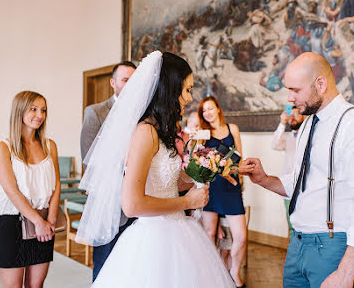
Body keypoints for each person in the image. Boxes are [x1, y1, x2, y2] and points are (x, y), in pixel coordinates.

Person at [76, 51, 235, 287]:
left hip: (178, 231)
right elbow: (132, 205)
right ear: (170, 90)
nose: (190, 98)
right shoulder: (145, 132)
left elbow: (170, 182)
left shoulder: (162, 132)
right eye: (187, 90)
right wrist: (187, 202)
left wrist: (207, 169)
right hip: (153, 238)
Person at [240, 52, 354, 288]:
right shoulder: (309, 123)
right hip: (298, 246)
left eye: (295, 90)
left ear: (321, 84)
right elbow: (302, 184)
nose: (289, 99)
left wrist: (345, 273)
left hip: (334, 248)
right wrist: (264, 180)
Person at [0, 91, 61, 287]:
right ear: (19, 111)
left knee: (36, 285)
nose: (40, 115)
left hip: (45, 223)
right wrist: (38, 222)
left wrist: (50, 220)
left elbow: (56, 186)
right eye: (34, 109)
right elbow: (12, 191)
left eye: (43, 110)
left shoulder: (50, 145)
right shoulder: (3, 147)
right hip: (13, 223)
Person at [80, 60, 136, 281]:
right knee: (104, 262)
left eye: (134, 80)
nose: (130, 84)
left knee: (131, 262)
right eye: (125, 80)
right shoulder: (96, 112)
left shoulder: (143, 113)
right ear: (113, 83)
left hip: (138, 199)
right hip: (107, 202)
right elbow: (88, 161)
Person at [198, 96, 247, 288]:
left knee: (241, 236)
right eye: (204, 111)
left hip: (231, 187)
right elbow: (198, 160)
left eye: (210, 108)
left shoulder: (232, 129)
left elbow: (240, 158)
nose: (208, 113)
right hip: (212, 187)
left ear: (218, 109)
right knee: (210, 234)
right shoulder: (203, 133)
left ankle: (234, 270)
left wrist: (239, 179)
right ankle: (212, 273)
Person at [271, 106, 305, 175]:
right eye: (290, 115)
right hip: (288, 179)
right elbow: (274, 145)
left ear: (304, 116)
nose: (292, 118)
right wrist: (282, 122)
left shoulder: (311, 135)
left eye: (295, 114)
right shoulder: (287, 137)